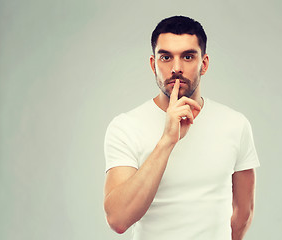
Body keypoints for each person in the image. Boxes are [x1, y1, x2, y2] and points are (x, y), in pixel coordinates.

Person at [103, 16, 260, 240]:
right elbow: (118, 219)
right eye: (166, 57)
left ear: (203, 64)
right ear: (153, 64)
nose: (176, 68)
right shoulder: (126, 126)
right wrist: (167, 140)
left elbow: (243, 213)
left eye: (187, 56)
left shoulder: (235, 124)